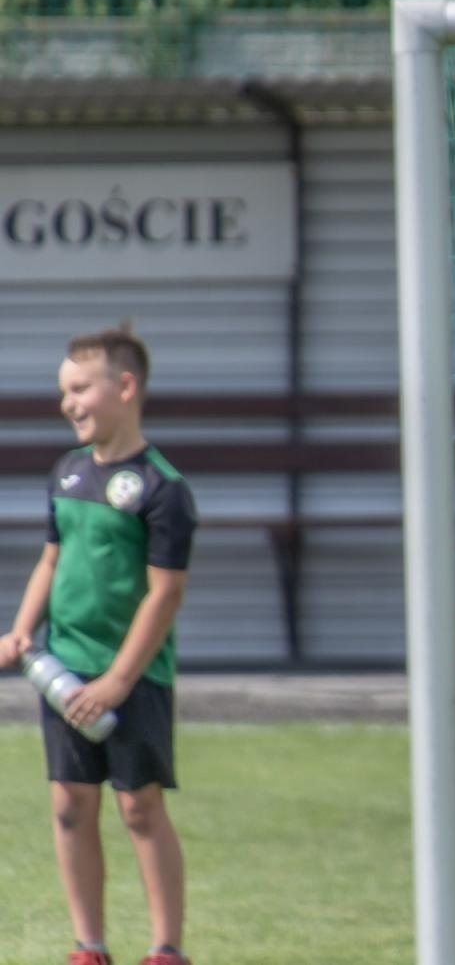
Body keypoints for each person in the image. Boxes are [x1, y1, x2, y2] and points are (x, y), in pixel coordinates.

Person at [0, 327, 200, 965]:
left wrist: (116, 681)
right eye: (63, 391)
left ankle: (166, 948)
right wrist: (23, 628)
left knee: (139, 807)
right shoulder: (67, 473)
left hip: (131, 679)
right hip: (65, 671)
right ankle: (89, 946)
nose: (68, 402)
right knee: (68, 803)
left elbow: (163, 595)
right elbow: (51, 559)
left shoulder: (163, 488)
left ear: (125, 386)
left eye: (80, 388)